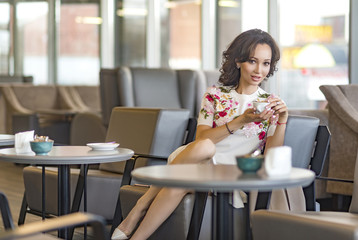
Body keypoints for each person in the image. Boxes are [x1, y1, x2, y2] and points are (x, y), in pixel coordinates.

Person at [112, 28, 297, 240]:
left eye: (266, 63)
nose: (259, 70)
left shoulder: (271, 103)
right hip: (195, 160)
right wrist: (241, 120)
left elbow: (272, 156)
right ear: (238, 61)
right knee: (205, 147)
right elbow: (201, 139)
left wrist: (282, 120)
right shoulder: (214, 95)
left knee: (178, 184)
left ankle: (142, 205)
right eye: (252, 61)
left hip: (230, 173)